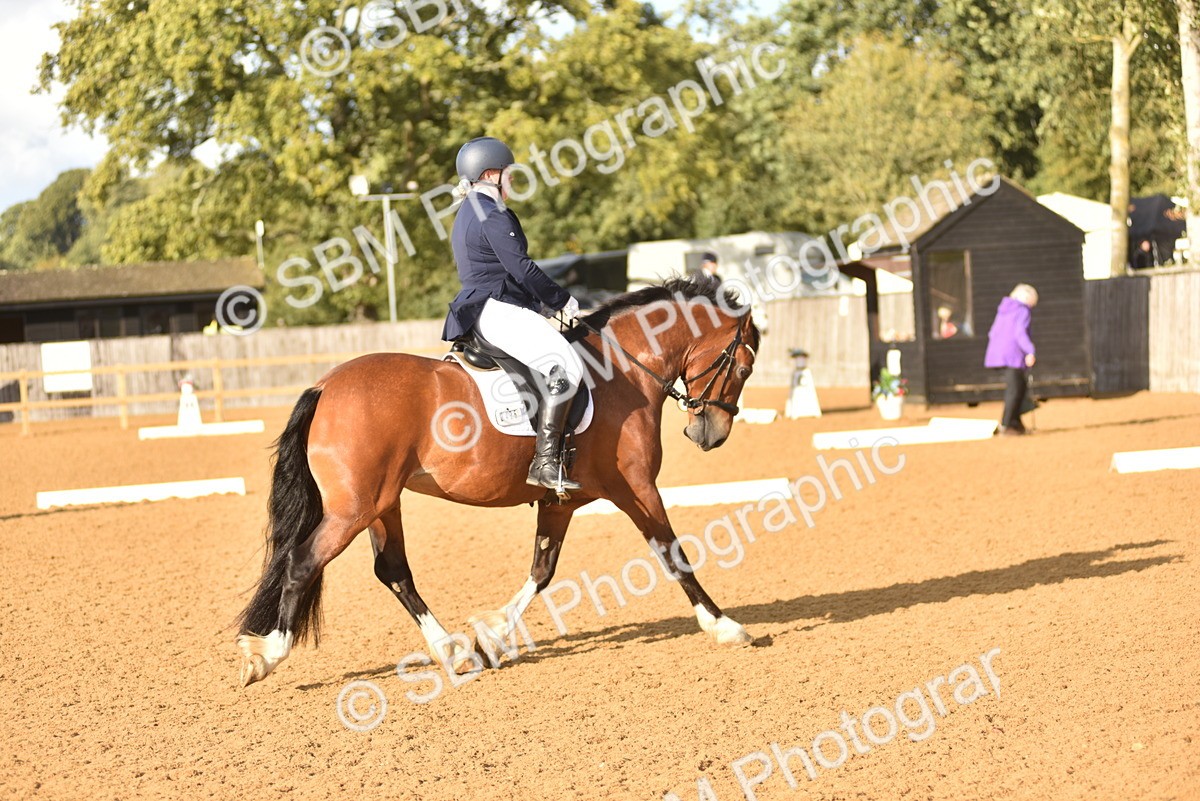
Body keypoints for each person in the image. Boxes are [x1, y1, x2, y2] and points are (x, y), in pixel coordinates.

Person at [441, 136, 585, 490]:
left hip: (483, 307)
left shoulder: (469, 210)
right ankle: (546, 462)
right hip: (496, 309)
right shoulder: (491, 213)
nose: (512, 180)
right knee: (567, 367)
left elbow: (500, 272)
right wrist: (560, 299)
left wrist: (538, 305)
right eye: (509, 173)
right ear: (491, 174)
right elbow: (521, 267)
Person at [984, 284, 1038, 435]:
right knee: (1015, 390)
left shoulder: (1004, 310)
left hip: (998, 354)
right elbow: (1020, 333)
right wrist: (1030, 351)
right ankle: (1006, 425)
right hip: (1013, 355)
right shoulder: (1022, 310)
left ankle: (1016, 424)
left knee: (1019, 387)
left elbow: (992, 332)